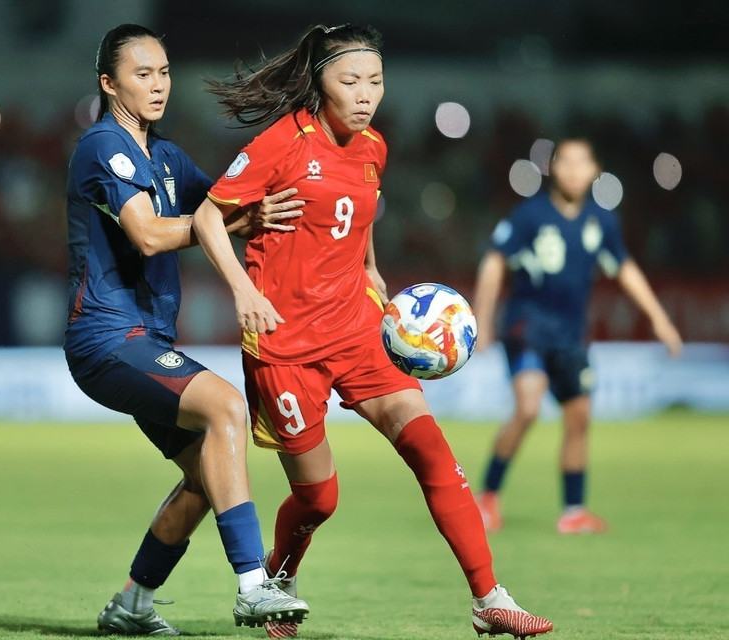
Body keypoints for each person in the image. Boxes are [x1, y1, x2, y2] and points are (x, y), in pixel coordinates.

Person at [191, 23, 553, 640]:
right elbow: (206, 215)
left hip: (358, 328)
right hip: (285, 343)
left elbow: (359, 212)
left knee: (432, 450)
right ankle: (279, 579)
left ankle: (489, 597)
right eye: (350, 81)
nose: (365, 95)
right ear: (318, 82)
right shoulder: (283, 142)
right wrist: (244, 291)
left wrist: (370, 267)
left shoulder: (372, 148)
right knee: (319, 499)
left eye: (376, 82)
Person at [64, 24, 310, 636]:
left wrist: (278, 184)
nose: (158, 84)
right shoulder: (103, 147)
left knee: (210, 475)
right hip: (107, 339)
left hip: (147, 342)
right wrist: (230, 223)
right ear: (108, 83)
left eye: (165, 72)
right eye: (142, 73)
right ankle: (254, 586)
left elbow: (226, 206)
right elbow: (149, 235)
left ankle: (131, 604)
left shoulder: (167, 157)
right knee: (226, 407)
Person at [471, 138, 683, 534]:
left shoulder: (602, 220)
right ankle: (487, 498)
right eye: (564, 162)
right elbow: (494, 261)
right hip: (527, 327)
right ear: (553, 167)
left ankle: (573, 511)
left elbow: (625, 268)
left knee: (579, 418)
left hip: (571, 335)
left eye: (580, 163)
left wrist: (659, 318)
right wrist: (481, 319)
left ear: (593, 170)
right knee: (529, 406)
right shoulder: (530, 214)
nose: (572, 170)